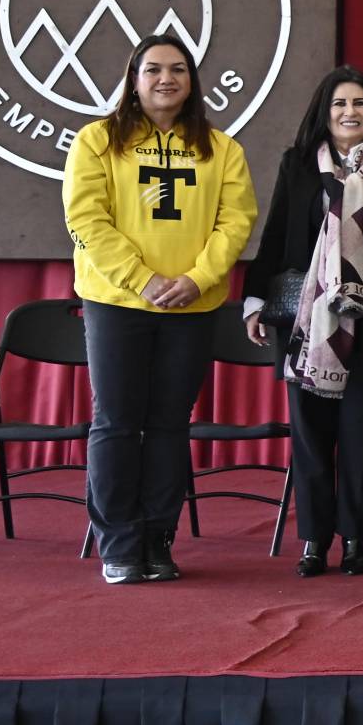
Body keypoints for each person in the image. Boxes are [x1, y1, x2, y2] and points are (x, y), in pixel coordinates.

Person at [64, 34, 257, 584]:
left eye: (177, 69)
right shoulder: (96, 141)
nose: (165, 78)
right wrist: (143, 280)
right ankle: (119, 545)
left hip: (192, 307)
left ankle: (157, 538)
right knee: (118, 422)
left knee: (171, 424)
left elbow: (235, 221)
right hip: (117, 302)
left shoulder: (222, 149)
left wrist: (196, 280)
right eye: (152, 69)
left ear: (192, 81)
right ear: (133, 79)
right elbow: (87, 220)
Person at [244, 67, 363, 578]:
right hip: (309, 329)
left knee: (362, 438)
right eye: (339, 105)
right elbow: (277, 235)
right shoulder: (299, 165)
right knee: (310, 439)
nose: (350, 112)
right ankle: (313, 541)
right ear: (324, 114)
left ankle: (355, 538)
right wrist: (255, 301)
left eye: (359, 103)